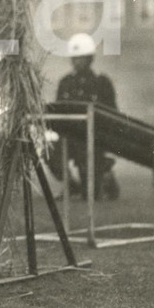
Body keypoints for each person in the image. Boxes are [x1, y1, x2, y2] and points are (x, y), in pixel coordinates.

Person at [48, 32, 120, 201]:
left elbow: (112, 114)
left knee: (91, 195)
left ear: (90, 59)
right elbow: (57, 113)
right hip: (69, 138)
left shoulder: (101, 83)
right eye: (74, 58)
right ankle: (71, 185)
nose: (77, 62)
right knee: (49, 152)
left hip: (95, 140)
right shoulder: (65, 83)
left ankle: (106, 176)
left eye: (81, 58)